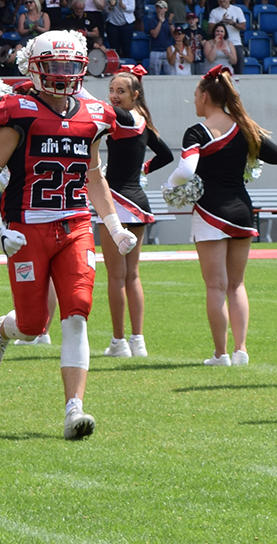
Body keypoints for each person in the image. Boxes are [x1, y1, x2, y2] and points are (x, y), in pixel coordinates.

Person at [0, 31, 136, 440]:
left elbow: (93, 175)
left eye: (69, 66)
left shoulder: (93, 115)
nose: (62, 75)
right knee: (32, 325)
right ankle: (3, 330)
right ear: (35, 68)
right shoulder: (19, 111)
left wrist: (114, 226)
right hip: (27, 227)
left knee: (77, 313)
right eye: (54, 66)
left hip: (75, 224)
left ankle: (73, 409)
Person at [167, 65, 277, 366]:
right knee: (237, 284)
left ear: (205, 96)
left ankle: (221, 354)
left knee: (216, 286)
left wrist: (170, 185)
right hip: (242, 210)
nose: (194, 100)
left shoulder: (197, 131)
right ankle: (241, 350)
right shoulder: (244, 126)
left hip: (210, 212)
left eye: (195, 95)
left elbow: (186, 170)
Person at [99, 66, 172, 358]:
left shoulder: (125, 117)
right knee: (132, 275)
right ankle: (138, 341)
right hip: (139, 203)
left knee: (117, 277)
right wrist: (143, 169)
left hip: (116, 203)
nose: (114, 96)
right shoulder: (143, 121)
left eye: (121, 91)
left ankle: (119, 343)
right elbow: (166, 154)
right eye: (112, 90)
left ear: (135, 94)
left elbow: (99, 108)